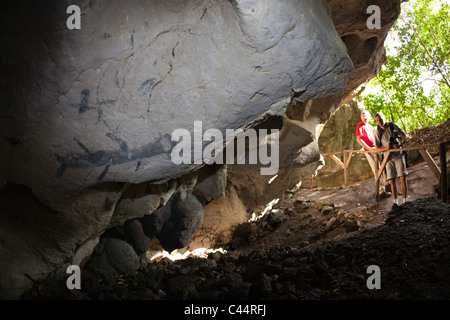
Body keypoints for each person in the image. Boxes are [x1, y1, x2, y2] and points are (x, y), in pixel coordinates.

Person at [374, 112, 409, 207]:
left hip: (398, 154)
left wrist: (400, 143)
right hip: (387, 158)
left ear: (384, 118)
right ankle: (395, 202)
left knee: (402, 177)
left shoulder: (392, 126)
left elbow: (405, 136)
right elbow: (376, 149)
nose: (379, 122)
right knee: (392, 179)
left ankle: (405, 201)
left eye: (380, 119)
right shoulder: (377, 132)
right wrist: (387, 148)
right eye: (377, 120)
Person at [356, 110, 390, 197]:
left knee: (382, 166)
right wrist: (368, 148)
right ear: (361, 117)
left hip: (375, 149)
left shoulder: (371, 127)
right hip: (369, 150)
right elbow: (359, 139)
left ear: (370, 117)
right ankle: (381, 191)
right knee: (376, 169)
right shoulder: (360, 125)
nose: (364, 117)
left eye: (366, 116)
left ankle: (386, 185)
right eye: (363, 116)